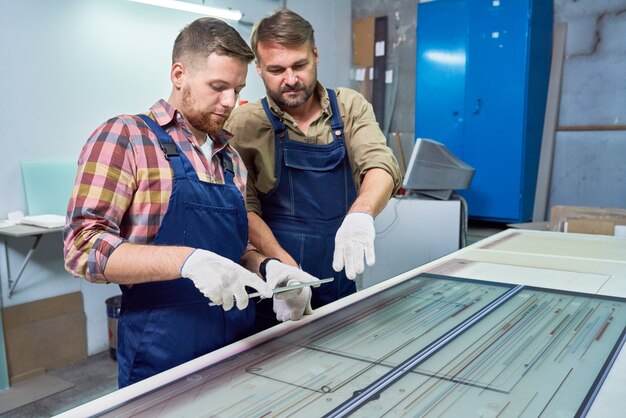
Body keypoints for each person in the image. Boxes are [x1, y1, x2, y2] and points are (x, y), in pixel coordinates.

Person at [63, 17, 318, 388]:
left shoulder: (228, 157)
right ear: (179, 74)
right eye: (218, 87)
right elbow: (82, 248)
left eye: (237, 89)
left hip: (237, 344)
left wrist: (271, 269)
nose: (230, 102)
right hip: (162, 353)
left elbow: (234, 248)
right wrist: (186, 261)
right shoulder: (126, 137)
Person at [225, 9, 402, 329]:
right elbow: (243, 209)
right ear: (259, 68)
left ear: (315, 55)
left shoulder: (350, 107)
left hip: (339, 285)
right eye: (276, 69)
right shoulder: (245, 124)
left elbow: (380, 162)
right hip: (274, 292)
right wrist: (286, 270)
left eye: (299, 65)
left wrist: (361, 213)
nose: (290, 79)